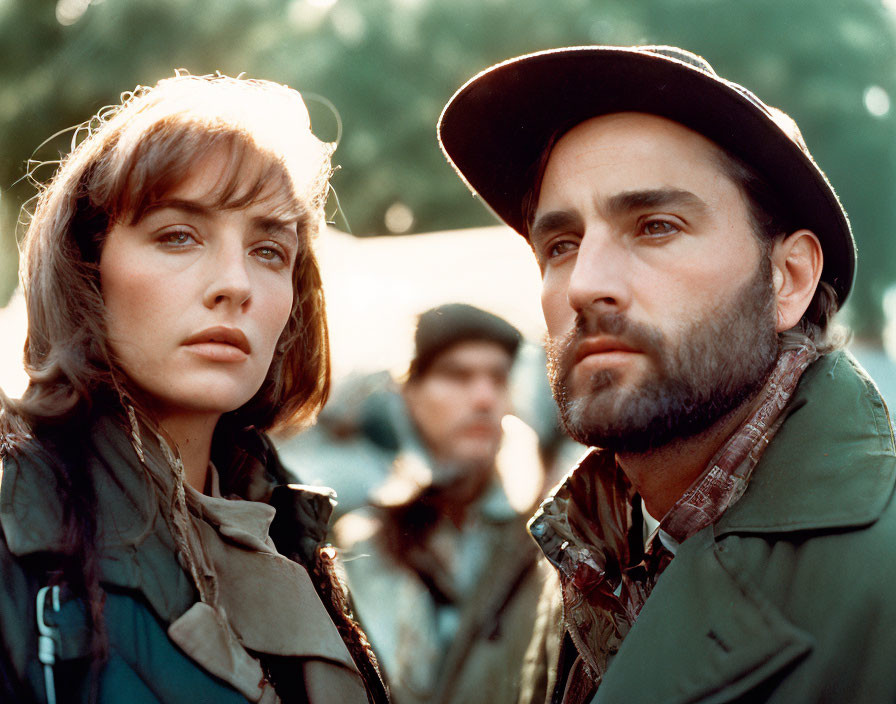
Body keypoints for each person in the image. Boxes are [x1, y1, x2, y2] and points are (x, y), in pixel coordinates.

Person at [438, 46, 896, 703]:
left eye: (655, 227)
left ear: (787, 278)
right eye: (561, 245)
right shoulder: (589, 556)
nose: (585, 284)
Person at [0, 73, 388, 703]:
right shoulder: (16, 529)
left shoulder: (293, 538)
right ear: (87, 266)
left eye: (268, 250)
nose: (235, 283)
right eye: (178, 235)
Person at [334, 303, 547, 704]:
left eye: (499, 378)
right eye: (457, 375)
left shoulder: (545, 539)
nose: (484, 398)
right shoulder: (361, 540)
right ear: (410, 393)